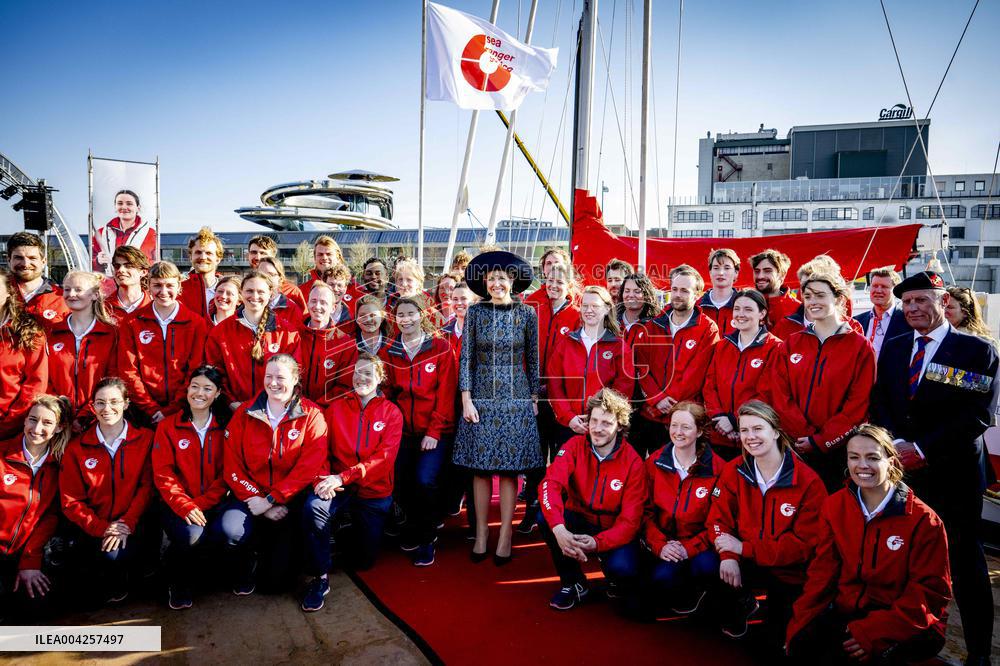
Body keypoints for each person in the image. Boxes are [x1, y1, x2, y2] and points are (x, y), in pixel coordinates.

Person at [871, 271, 998, 666]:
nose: (913, 309)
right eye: (907, 302)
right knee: (903, 561)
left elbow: (976, 415)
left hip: (953, 473)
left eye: (921, 300)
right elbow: (882, 403)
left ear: (943, 303)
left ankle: (977, 654)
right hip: (903, 474)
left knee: (964, 564)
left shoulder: (975, 351)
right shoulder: (893, 347)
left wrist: (923, 448)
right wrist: (892, 444)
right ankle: (904, 639)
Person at [786, 425, 951, 664]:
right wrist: (800, 623)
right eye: (854, 457)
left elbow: (930, 595)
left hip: (907, 622)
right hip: (851, 611)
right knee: (800, 646)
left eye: (872, 457)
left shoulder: (925, 521)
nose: (862, 465)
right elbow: (822, 572)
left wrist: (874, 633)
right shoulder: (835, 506)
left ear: (892, 462)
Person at [707, 400, 827, 643]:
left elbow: (803, 545)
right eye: (744, 430)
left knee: (777, 642)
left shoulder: (808, 482)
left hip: (790, 571)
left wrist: (743, 548)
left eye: (758, 428)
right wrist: (729, 556)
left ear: (775, 431)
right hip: (747, 560)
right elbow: (717, 519)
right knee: (710, 573)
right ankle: (742, 603)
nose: (750, 437)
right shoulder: (734, 470)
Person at [453, 250, 542, 565]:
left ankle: (505, 533)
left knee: (508, 469)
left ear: (512, 282)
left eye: (502, 278)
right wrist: (466, 398)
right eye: (491, 279)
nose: (497, 283)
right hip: (480, 394)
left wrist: (533, 397)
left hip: (516, 395)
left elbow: (533, 357)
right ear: (485, 283)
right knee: (480, 469)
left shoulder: (527, 314)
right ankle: (481, 533)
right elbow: (465, 357)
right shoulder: (475, 314)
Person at [301, 353, 403, 611]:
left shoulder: (391, 413)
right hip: (338, 484)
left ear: (380, 378)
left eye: (368, 373)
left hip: (373, 489)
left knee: (363, 562)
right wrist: (321, 479)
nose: (361, 378)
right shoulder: (336, 407)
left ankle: (356, 525)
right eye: (358, 372)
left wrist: (345, 475)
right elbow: (319, 448)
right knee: (313, 508)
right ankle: (320, 577)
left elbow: (384, 460)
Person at [222, 354, 328, 594]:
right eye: (269, 376)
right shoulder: (244, 413)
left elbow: (308, 469)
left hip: (288, 503)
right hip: (251, 499)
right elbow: (232, 467)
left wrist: (273, 499)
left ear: (294, 379)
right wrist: (260, 501)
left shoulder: (312, 415)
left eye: (280, 377)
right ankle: (247, 559)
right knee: (230, 530)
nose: (273, 383)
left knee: (275, 586)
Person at [538, 388, 647, 611]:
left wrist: (598, 543)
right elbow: (550, 484)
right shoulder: (575, 446)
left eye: (606, 423)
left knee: (625, 575)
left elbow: (630, 522)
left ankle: (613, 573)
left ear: (620, 425)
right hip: (580, 519)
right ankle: (574, 583)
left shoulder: (634, 462)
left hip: (612, 529)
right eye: (593, 421)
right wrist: (559, 529)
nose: (597, 429)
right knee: (545, 518)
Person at [769, 271, 876, 489]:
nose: (812, 302)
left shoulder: (859, 347)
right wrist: (802, 435)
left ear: (837, 298)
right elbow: (780, 394)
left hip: (837, 452)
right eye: (807, 296)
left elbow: (858, 404)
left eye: (819, 295)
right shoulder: (791, 343)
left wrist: (821, 441)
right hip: (794, 447)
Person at [60, 377, 154, 604]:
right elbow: (70, 500)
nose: (107, 408)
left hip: (134, 522)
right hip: (96, 526)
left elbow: (147, 487)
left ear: (126, 403)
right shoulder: (76, 448)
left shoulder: (146, 439)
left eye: (114, 401)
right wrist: (103, 528)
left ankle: (142, 570)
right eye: (100, 403)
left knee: (122, 558)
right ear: (92, 406)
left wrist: (127, 523)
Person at [382, 298, 457, 566]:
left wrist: (434, 431)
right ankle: (411, 528)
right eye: (400, 315)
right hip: (402, 431)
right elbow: (387, 393)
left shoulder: (440, 348)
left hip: (434, 430)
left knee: (425, 480)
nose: (406, 319)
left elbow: (446, 394)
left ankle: (428, 539)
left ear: (421, 315)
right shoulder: (389, 351)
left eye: (411, 313)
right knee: (400, 480)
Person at [152, 366, 232, 610]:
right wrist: (184, 504)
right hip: (177, 505)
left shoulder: (226, 426)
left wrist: (204, 502)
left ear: (217, 393)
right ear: (186, 390)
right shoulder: (168, 427)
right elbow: (163, 473)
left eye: (207, 388)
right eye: (194, 386)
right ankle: (177, 581)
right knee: (191, 535)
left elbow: (228, 471)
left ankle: (220, 574)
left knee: (229, 532)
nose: (199, 393)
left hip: (213, 501)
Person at [642, 402, 726, 616]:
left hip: (701, 546)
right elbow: (645, 512)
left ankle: (709, 595)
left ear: (699, 431)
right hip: (666, 543)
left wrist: (688, 547)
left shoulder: (719, 470)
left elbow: (719, 522)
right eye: (674, 425)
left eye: (686, 427)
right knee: (659, 583)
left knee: (708, 568)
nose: (678, 432)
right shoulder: (654, 463)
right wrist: (660, 545)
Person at [519, 264, 581, 533]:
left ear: (570, 285)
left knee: (559, 456)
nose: (554, 285)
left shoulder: (577, 315)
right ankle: (532, 506)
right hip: (532, 394)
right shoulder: (532, 305)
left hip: (562, 396)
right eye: (550, 280)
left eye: (560, 281)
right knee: (534, 454)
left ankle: (556, 509)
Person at [0, 395, 72, 621]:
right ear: (24, 421)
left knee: (38, 610)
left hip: (24, 552)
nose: (37, 428)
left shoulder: (59, 464)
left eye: (47, 423)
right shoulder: (3, 454)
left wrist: (30, 561)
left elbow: (49, 516)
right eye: (33, 419)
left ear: (59, 428)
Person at [633, 264, 720, 447]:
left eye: (684, 290)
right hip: (649, 414)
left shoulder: (707, 329)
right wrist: (657, 399)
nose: (678, 294)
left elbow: (696, 375)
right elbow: (641, 366)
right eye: (674, 289)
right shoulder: (653, 325)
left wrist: (670, 405)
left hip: (684, 419)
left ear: (696, 295)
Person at [118, 261, 208, 424]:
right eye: (157, 285)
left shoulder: (196, 323)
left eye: (169, 285)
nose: (163, 291)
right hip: (142, 412)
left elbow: (195, 369)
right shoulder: (132, 322)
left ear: (179, 287)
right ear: (148, 287)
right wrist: (150, 408)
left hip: (184, 408)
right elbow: (128, 370)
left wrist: (173, 408)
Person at [702, 289, 782, 459]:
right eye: (737, 309)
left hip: (754, 439)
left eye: (748, 309)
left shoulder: (775, 348)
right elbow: (709, 386)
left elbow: (768, 393)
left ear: (762, 313)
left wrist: (735, 420)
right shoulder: (722, 345)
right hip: (719, 434)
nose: (740, 314)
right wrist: (719, 417)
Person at [205, 271, 302, 408]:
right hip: (233, 410)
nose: (255, 296)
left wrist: (276, 404)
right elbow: (215, 372)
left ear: (270, 294)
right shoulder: (221, 332)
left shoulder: (287, 332)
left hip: (274, 409)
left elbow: (294, 372)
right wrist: (231, 402)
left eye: (260, 292)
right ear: (241, 294)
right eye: (249, 291)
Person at [548, 286, 634, 437]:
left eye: (595, 306)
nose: (589, 310)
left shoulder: (619, 347)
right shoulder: (566, 344)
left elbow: (623, 388)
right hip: (569, 425)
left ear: (607, 309)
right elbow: (555, 386)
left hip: (604, 428)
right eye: (585, 306)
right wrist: (569, 417)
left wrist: (598, 419)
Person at [47, 271, 118, 418]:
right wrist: (59, 410)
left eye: (78, 289)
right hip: (58, 415)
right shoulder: (52, 332)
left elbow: (112, 378)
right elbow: (44, 377)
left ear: (95, 295)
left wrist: (87, 414)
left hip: (97, 416)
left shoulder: (111, 334)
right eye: (67, 289)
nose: (71, 294)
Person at [0, 271, 48, 439]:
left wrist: (9, 423)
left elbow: (36, 382)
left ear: (8, 293)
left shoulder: (27, 330)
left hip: (10, 426)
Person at [771, 256, 863, 340]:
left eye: (818, 291)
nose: (809, 290)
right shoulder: (785, 325)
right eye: (804, 286)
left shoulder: (852, 326)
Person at [6, 231, 69, 328]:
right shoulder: (3, 294)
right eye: (19, 258)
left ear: (43, 261)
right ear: (9, 260)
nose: (25, 264)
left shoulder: (62, 298)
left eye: (32, 258)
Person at [299, 282, 345, 407]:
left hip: (326, 410)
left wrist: (318, 405)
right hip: (293, 407)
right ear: (307, 303)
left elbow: (344, 385)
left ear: (333, 308)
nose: (317, 306)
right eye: (313, 301)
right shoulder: (294, 335)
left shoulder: (344, 343)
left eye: (323, 302)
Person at [93, 189, 157, 275]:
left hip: (140, 285)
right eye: (120, 203)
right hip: (109, 285)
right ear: (115, 207)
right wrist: (97, 261)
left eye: (129, 204)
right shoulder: (100, 233)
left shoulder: (150, 233)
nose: (124, 207)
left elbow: (155, 264)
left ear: (138, 208)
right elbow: (89, 264)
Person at [854, 267, 910, 359]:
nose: (878, 291)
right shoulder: (857, 321)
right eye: (875, 286)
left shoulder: (907, 321)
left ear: (895, 291)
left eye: (884, 287)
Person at [246, 235, 307, 311]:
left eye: (263, 253)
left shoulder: (292, 291)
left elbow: (303, 320)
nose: (258, 257)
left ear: (273, 257)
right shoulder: (242, 288)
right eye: (253, 252)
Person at [178, 227, 225, 323]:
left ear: (218, 259)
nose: (203, 257)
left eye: (208, 253)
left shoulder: (229, 291)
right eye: (198, 252)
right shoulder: (179, 291)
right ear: (191, 257)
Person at [749, 249, 800, 336]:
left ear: (782, 274)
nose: (760, 276)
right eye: (757, 271)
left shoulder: (798, 309)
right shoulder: (745, 305)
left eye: (767, 271)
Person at [698, 248, 740, 338]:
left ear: (736, 273)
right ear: (710, 272)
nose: (721, 273)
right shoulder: (697, 307)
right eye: (716, 268)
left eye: (727, 268)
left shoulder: (744, 306)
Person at [106, 246, 151, 320]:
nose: (121, 270)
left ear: (143, 272)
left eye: (128, 266)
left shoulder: (155, 306)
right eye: (117, 266)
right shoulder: (102, 308)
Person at [258, 257, 305, 326]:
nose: (266, 278)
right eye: (261, 274)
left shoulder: (292, 310)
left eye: (271, 275)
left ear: (280, 278)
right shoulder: (247, 305)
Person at [297, 235, 345, 302]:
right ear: (314, 258)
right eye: (320, 254)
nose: (324, 258)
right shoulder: (301, 292)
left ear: (338, 257)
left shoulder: (355, 290)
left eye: (329, 254)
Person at [617, 272, 659, 344]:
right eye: (627, 291)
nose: (631, 295)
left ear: (647, 295)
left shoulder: (654, 326)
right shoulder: (612, 322)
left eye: (637, 291)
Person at [321, 263, 357, 330]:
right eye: (331, 284)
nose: (335, 289)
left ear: (345, 288)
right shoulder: (315, 313)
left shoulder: (352, 317)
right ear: (323, 285)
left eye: (339, 285)